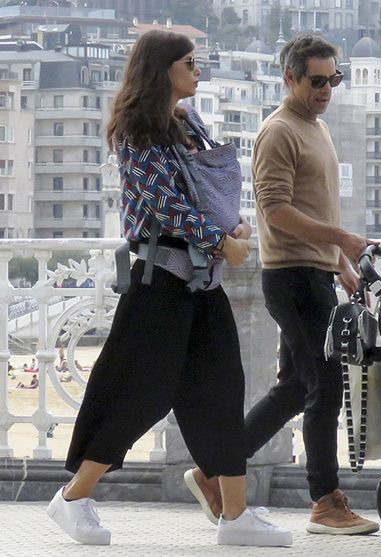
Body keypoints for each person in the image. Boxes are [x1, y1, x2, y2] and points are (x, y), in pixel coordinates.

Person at [45, 30, 291, 548]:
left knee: (222, 393)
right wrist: (221, 242)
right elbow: (163, 208)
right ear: (163, 71)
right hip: (160, 284)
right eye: (189, 63)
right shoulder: (138, 132)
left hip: (200, 285)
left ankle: (236, 517)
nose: (198, 71)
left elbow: (203, 194)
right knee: (138, 395)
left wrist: (234, 227)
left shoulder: (187, 124)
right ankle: (72, 499)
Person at [185, 34, 379, 536]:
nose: (327, 90)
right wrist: (340, 240)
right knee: (324, 387)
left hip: (315, 273)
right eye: (317, 81)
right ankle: (325, 502)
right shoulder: (279, 131)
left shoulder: (317, 128)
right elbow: (277, 212)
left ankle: (213, 475)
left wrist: (339, 262)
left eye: (334, 79)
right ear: (289, 78)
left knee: (295, 388)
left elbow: (316, 207)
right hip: (291, 278)